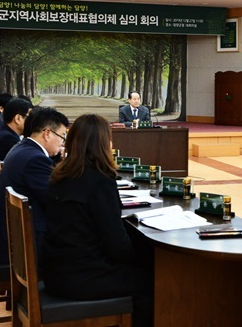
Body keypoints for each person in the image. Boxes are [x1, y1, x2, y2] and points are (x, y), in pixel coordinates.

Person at [43, 114, 153, 327]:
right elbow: (117, 246)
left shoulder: (59, 176)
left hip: (56, 272)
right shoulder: (100, 181)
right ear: (102, 143)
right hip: (85, 278)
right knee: (152, 279)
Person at [0, 107, 69, 265]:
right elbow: (57, 202)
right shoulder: (35, 160)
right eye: (62, 137)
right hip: (26, 247)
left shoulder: (23, 149)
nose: (62, 143)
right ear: (47, 133)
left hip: (15, 240)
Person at [0, 98, 33, 207]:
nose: (32, 122)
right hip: (4, 203)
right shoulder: (7, 139)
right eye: (29, 117)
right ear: (18, 118)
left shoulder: (4, 133)